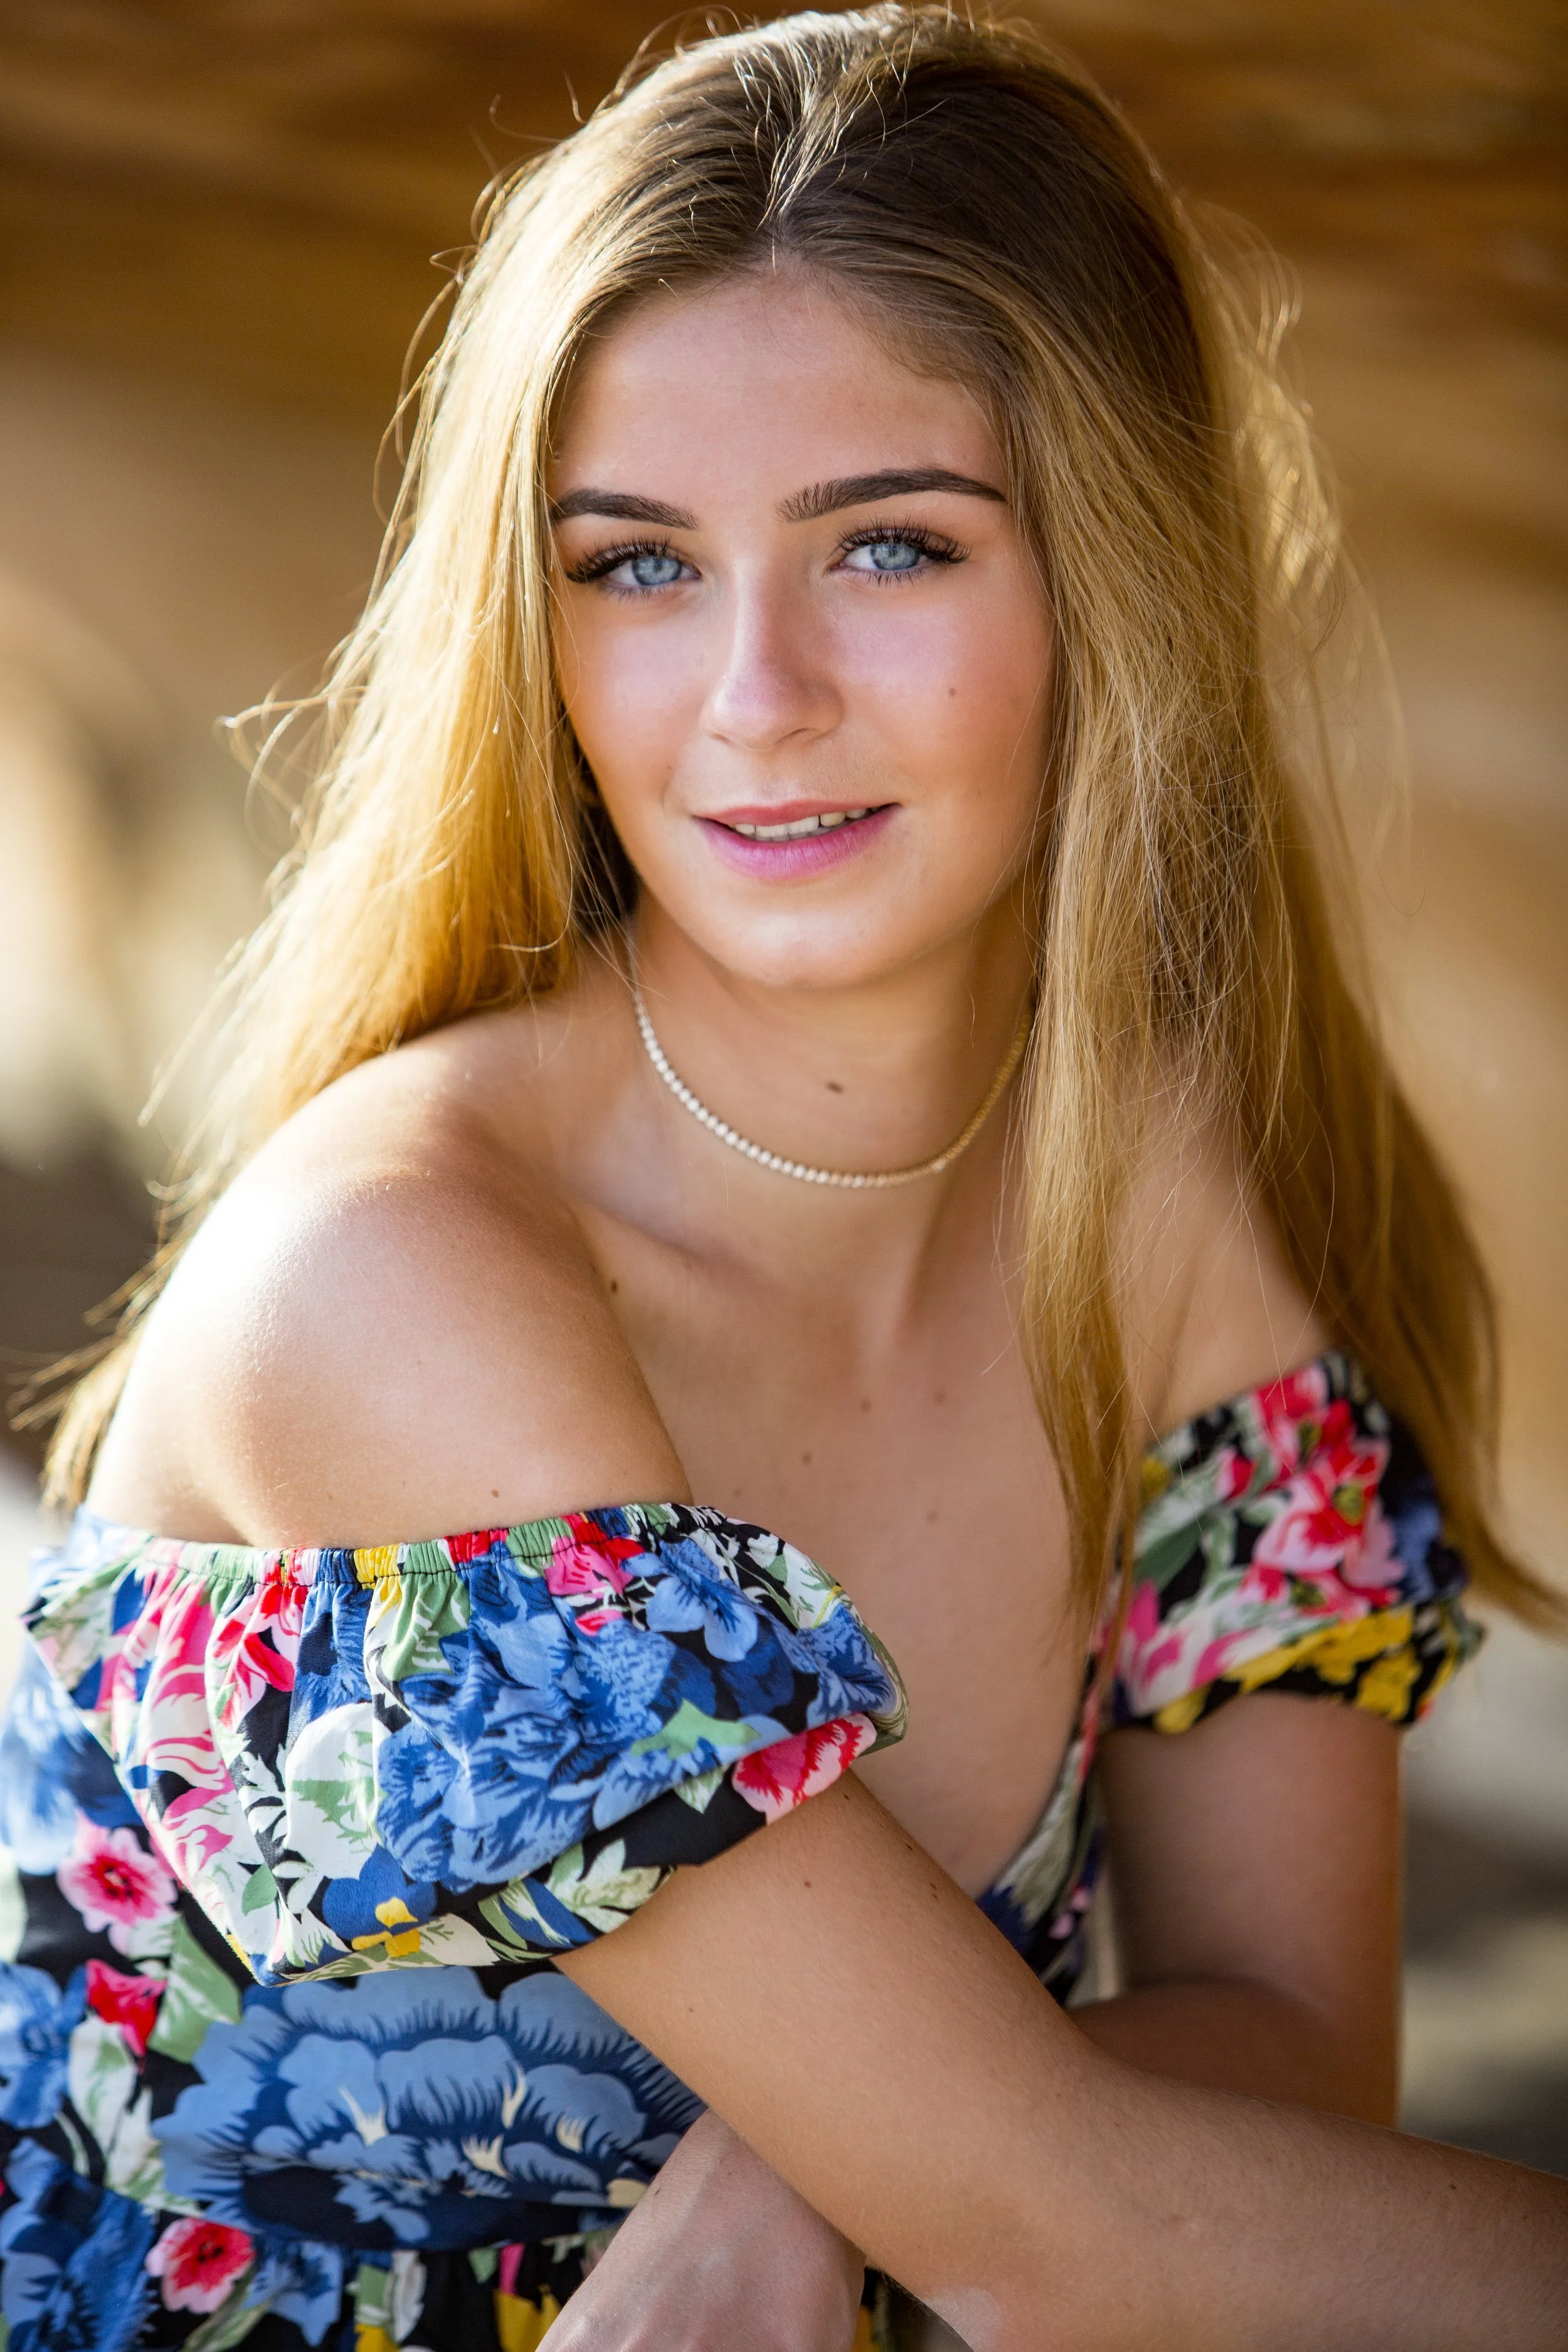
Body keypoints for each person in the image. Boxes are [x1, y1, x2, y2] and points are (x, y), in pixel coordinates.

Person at [3, 9, 1564, 2349]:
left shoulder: (1164, 1216)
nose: (752, 692)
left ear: (1113, 581)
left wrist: (825, 2166)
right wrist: (966, 2161)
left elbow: (1280, 2068)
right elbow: (1074, 2228)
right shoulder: (401, 1280)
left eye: (890, 546)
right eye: (636, 567)